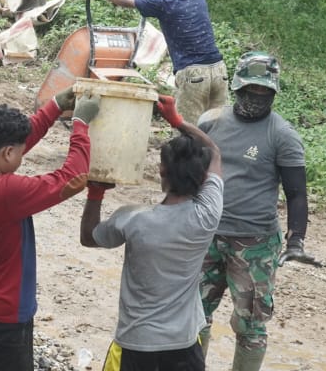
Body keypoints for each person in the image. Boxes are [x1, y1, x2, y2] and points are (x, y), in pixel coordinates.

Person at [0, 88, 97, 371]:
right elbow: (74, 178)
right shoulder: (4, 192)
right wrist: (80, 126)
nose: (22, 152)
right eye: (18, 151)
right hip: (3, 315)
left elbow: (17, 143)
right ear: (7, 152)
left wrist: (54, 106)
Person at [80, 95, 223, 371]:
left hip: (136, 344)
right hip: (183, 345)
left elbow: (89, 237)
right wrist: (178, 121)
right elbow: (215, 153)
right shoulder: (207, 216)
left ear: (161, 170)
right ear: (204, 178)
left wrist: (95, 192)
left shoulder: (133, 220)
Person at [196, 52, 314, 371]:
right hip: (206, 234)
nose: (257, 97)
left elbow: (296, 193)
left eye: (265, 92)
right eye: (252, 90)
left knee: (251, 325)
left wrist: (296, 240)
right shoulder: (210, 122)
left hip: (255, 245)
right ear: (237, 87)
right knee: (192, 314)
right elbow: (189, 171)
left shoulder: (283, 135)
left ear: (273, 92)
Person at [85, 0, 226, 126]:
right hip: (220, 71)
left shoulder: (164, 4)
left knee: (187, 132)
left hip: (194, 74)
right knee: (216, 129)